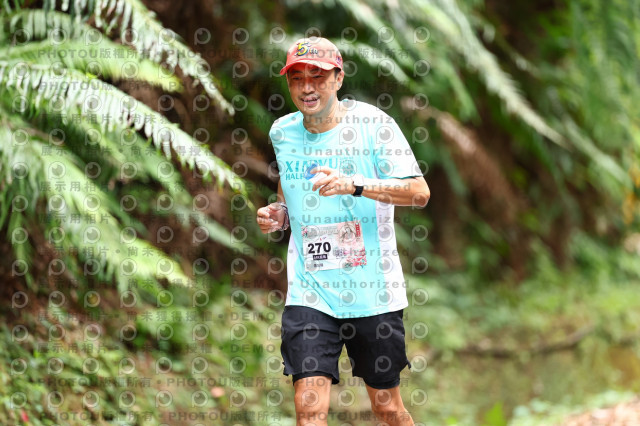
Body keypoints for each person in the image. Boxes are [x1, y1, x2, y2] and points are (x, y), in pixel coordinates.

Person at [256, 37, 430, 426]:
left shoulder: (374, 125)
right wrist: (280, 212)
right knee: (308, 409)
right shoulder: (283, 131)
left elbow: (419, 192)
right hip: (310, 290)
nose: (306, 87)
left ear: (338, 78)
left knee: (387, 408)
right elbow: (289, 185)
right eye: (297, 78)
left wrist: (355, 185)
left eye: (317, 77)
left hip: (373, 292)